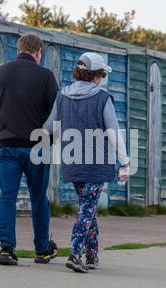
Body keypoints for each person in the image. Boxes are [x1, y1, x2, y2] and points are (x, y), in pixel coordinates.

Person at [43, 52, 130, 273]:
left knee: (87, 206)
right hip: (96, 164)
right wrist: (125, 162)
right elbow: (113, 132)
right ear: (95, 76)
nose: (101, 79)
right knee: (87, 208)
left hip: (71, 162)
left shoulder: (62, 96)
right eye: (101, 75)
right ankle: (75, 253)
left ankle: (92, 255)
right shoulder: (102, 98)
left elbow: (48, 127)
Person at [0, 33, 59, 266]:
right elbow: (57, 117)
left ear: (18, 50)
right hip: (37, 147)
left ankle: (6, 249)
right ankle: (42, 250)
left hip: (8, 147)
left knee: (7, 197)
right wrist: (48, 141)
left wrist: (2, 135)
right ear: (38, 53)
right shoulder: (46, 76)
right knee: (38, 199)